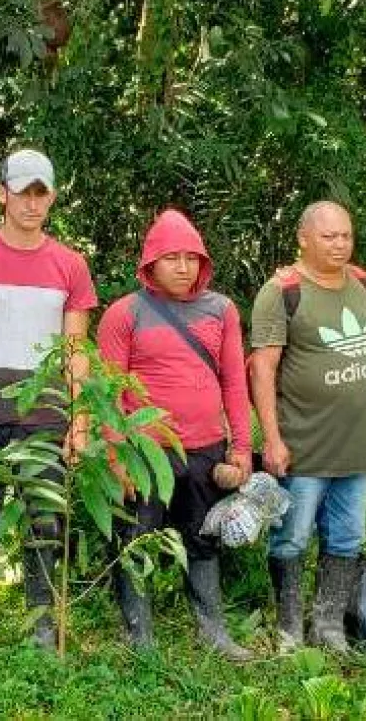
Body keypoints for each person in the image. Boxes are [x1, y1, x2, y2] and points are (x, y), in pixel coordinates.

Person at [0, 149, 98, 660]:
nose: (32, 204)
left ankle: (42, 628)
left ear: (52, 198)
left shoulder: (69, 265)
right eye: (22, 192)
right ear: (1, 194)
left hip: (45, 415)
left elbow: (75, 351)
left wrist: (79, 421)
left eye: (41, 193)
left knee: (44, 521)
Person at [249, 200, 366, 655]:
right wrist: (272, 439)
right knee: (292, 537)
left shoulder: (364, 284)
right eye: (329, 236)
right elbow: (263, 369)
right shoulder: (282, 292)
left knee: (347, 537)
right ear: (303, 239)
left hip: (356, 446)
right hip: (303, 447)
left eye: (346, 236)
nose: (340, 244)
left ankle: (329, 624)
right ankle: (288, 629)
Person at [97, 208, 254, 660]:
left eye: (191, 258)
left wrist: (242, 448)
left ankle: (213, 632)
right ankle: (140, 639)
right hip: (145, 452)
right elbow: (108, 394)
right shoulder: (124, 314)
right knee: (135, 541)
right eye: (171, 258)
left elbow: (234, 382)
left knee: (203, 538)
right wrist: (117, 459)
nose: (183, 267)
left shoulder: (222, 310)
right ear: (151, 263)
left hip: (206, 448)